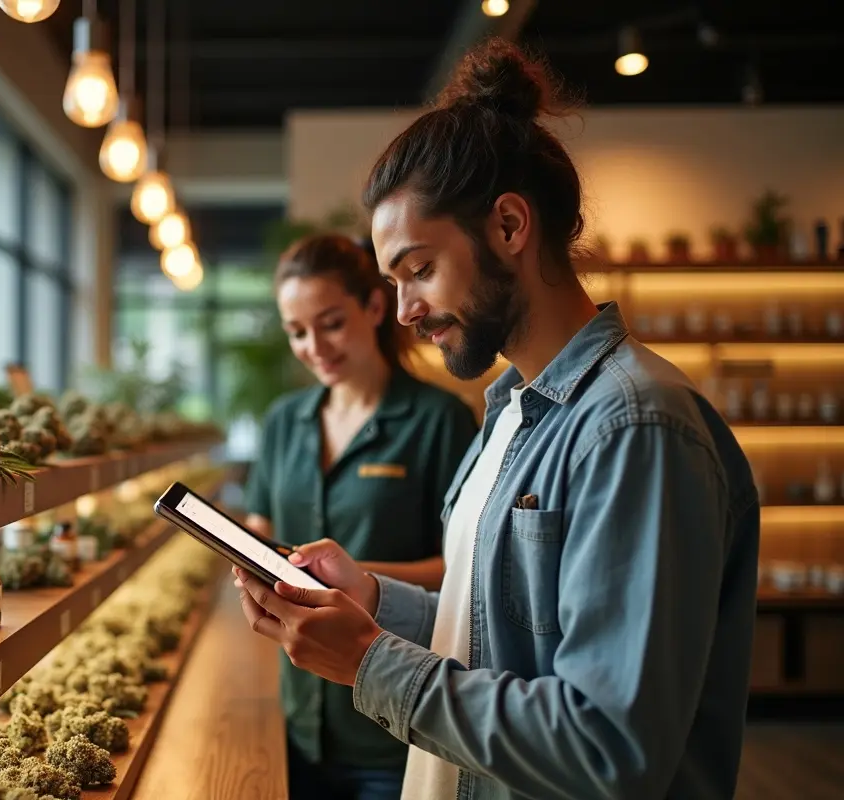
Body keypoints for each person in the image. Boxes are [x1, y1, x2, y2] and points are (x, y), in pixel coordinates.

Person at [234, 38, 758, 800]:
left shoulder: (636, 428)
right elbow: (494, 633)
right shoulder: (511, 412)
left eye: (420, 270)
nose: (405, 310)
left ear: (510, 226)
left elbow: (609, 746)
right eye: (394, 279)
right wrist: (372, 601)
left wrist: (369, 663)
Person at [243, 232, 478, 800]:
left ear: (374, 307)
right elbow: (262, 527)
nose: (314, 346)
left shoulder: (439, 421)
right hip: (299, 719)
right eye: (297, 332)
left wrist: (349, 581)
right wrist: (251, 559)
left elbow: (466, 573)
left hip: (392, 726)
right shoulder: (282, 422)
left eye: (330, 323)